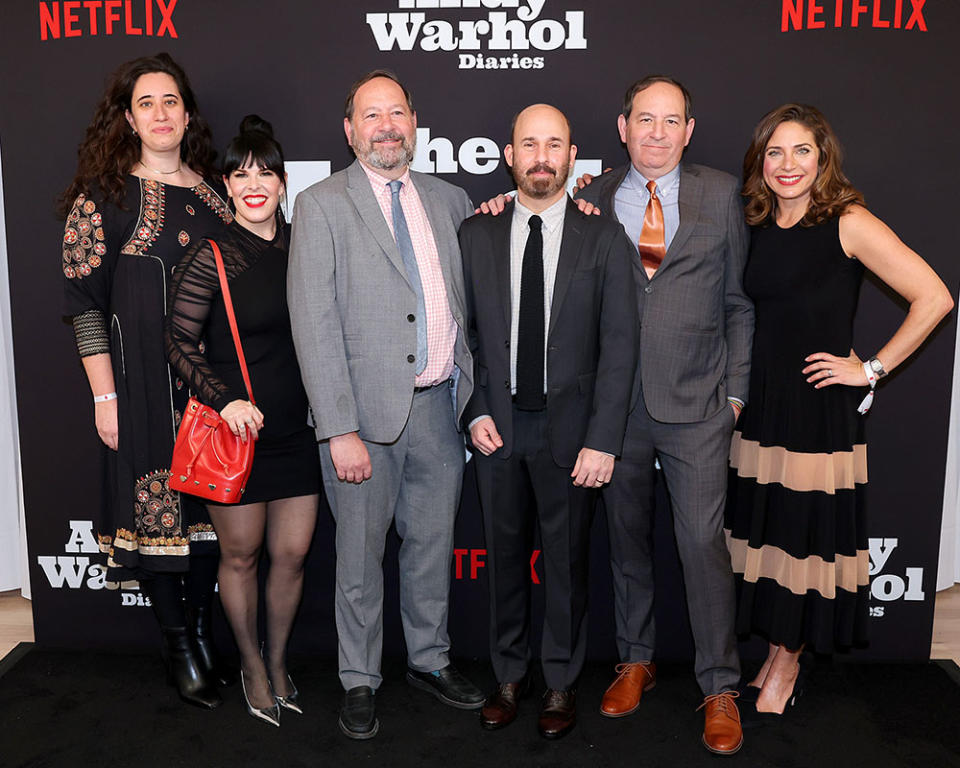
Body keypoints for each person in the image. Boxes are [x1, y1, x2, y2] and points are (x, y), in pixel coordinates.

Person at [725, 103, 953, 717]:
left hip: (819, 407)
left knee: (804, 543)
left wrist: (870, 368)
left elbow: (934, 296)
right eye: (775, 152)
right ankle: (776, 651)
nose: (788, 164)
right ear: (761, 163)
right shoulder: (756, 221)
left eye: (802, 151)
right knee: (772, 538)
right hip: (764, 403)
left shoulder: (846, 221)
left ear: (823, 159)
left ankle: (789, 663)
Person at [287, 69, 484, 740]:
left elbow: (469, 310)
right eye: (372, 116)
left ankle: (429, 662)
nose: (386, 127)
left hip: (438, 412)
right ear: (350, 131)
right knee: (359, 560)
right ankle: (360, 680)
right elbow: (312, 325)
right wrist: (338, 427)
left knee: (431, 550)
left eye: (396, 113)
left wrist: (470, 401)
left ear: (414, 122)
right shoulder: (320, 205)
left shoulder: (452, 200)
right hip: (361, 424)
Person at [574, 75, 753, 755]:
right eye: (644, 120)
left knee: (702, 544)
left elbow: (739, 304)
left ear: (689, 129)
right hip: (616, 412)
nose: (656, 133)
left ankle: (718, 685)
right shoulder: (588, 198)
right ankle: (636, 660)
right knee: (625, 540)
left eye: (670, 121)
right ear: (623, 128)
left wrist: (734, 396)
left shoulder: (722, 196)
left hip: (698, 408)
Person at [60, 53, 233, 709]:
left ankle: (201, 633)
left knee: (215, 528)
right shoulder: (102, 200)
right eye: (147, 103)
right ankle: (180, 649)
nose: (161, 114)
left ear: (187, 113)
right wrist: (105, 398)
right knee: (160, 526)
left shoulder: (218, 191)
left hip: (217, 397)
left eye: (170, 101)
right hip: (144, 397)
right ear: (128, 119)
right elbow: (83, 307)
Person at [462, 104, 638, 739]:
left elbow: (620, 347)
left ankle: (560, 681)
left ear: (571, 158)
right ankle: (510, 675)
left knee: (565, 565)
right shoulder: (474, 234)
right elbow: (464, 337)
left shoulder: (604, 236)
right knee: (504, 558)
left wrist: (603, 440)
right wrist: (473, 407)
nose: (541, 156)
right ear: (509, 156)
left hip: (574, 435)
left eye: (554, 145)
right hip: (498, 428)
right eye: (528, 144)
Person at [165, 116, 321, 726]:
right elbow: (177, 341)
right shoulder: (212, 255)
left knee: (292, 554)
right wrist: (225, 399)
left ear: (284, 183)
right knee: (241, 556)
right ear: (227, 186)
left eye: (265, 173)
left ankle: (280, 661)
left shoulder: (307, 243)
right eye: (240, 174)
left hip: (299, 430)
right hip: (238, 432)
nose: (253, 184)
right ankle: (252, 665)